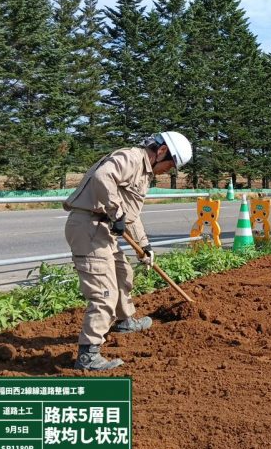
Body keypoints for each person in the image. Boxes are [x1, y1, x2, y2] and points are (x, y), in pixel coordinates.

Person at [63, 131, 193, 370]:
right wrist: (115, 211)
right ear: (161, 152)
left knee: (123, 273)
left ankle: (124, 321)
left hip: (102, 230)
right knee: (104, 294)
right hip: (88, 227)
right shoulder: (132, 158)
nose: (168, 171)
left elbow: (131, 216)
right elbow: (103, 176)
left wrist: (145, 246)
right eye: (171, 165)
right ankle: (88, 356)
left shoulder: (144, 173)